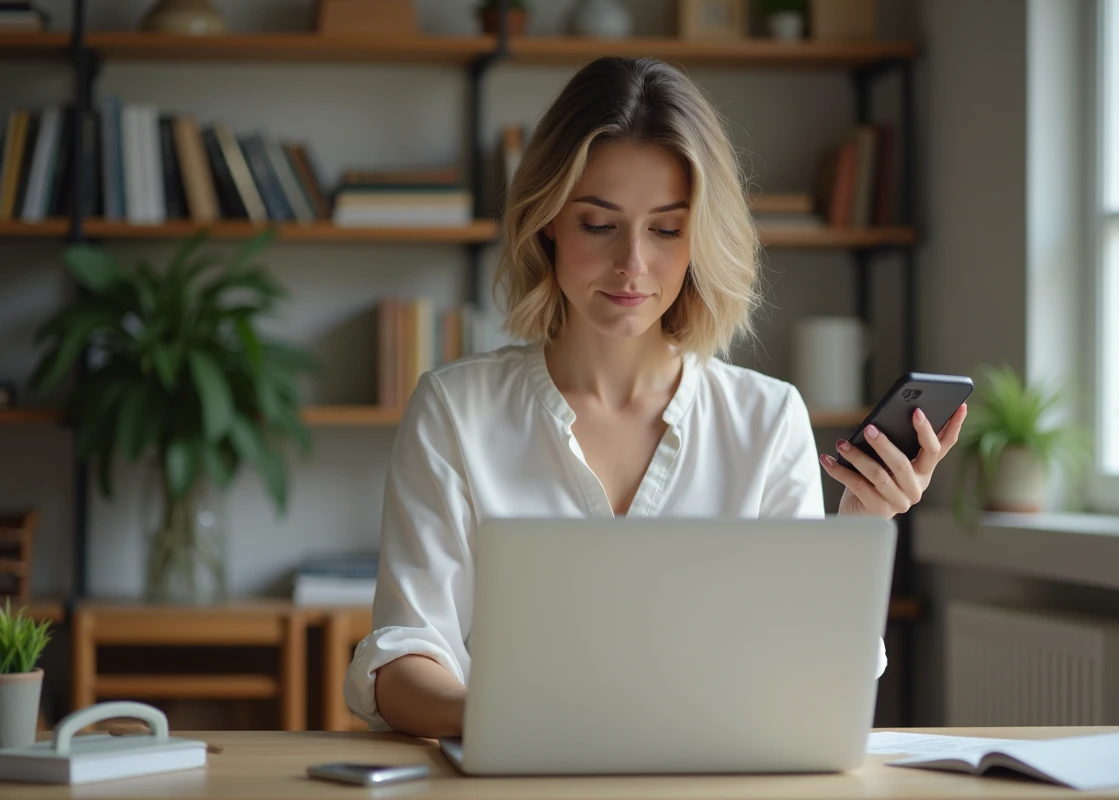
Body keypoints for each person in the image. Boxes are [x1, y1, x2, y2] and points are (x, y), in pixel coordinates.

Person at [344, 56, 967, 737]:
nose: (632, 265)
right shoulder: (454, 410)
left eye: (666, 229)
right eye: (598, 224)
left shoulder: (767, 419)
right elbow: (405, 655)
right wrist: (518, 728)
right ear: (548, 220)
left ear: (699, 238)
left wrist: (863, 522)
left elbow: (811, 675)